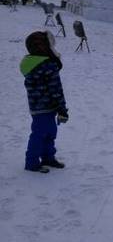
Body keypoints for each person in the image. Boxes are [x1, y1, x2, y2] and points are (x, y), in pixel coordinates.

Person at [19, 31, 69, 173]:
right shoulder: (47, 65)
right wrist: (62, 108)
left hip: (37, 107)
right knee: (40, 134)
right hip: (46, 107)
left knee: (48, 133)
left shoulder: (31, 63)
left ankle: (48, 158)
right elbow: (55, 89)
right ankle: (32, 163)